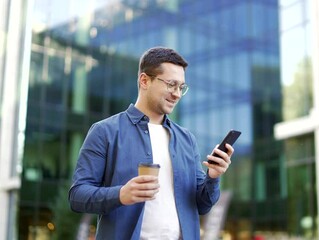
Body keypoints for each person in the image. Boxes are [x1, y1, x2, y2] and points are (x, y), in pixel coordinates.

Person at [68, 47, 234, 240]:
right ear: (144, 81)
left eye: (181, 87)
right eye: (171, 84)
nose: (177, 94)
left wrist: (213, 176)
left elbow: (203, 205)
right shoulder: (105, 131)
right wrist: (121, 194)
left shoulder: (186, 139)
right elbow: (77, 196)